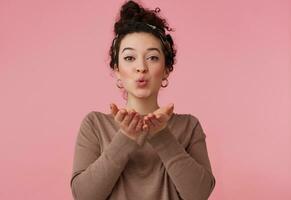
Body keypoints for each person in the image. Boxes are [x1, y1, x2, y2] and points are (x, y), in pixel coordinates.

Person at [70, 1, 216, 199]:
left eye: (153, 58)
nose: (141, 67)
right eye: (130, 58)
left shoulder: (188, 126)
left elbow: (199, 194)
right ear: (117, 70)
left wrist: (162, 135)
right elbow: (84, 196)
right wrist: (126, 138)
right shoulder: (95, 125)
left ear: (166, 70)